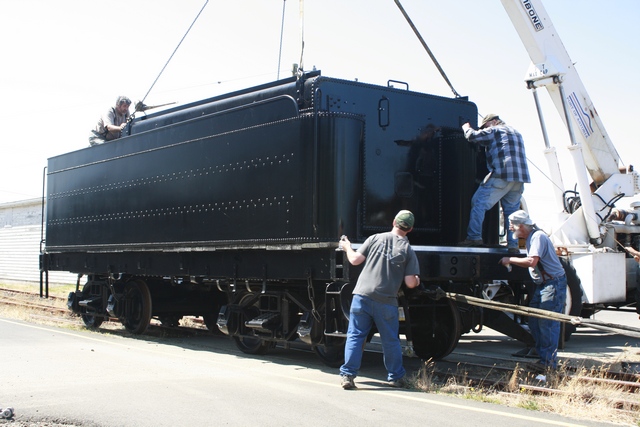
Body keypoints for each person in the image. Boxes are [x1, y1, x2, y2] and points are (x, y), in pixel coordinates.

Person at [338, 210, 421, 390]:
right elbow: (410, 283)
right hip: (386, 301)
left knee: (355, 336)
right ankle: (395, 377)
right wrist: (417, 279)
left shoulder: (375, 238)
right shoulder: (407, 249)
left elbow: (354, 260)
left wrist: (347, 247)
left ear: (393, 222)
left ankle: (347, 375)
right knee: (390, 340)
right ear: (411, 229)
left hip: (362, 296)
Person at [498, 210, 567, 370]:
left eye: (511, 226)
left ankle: (548, 363)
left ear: (520, 225)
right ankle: (542, 355)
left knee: (547, 323)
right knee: (535, 320)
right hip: (545, 284)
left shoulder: (537, 237)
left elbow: (531, 261)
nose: (510, 229)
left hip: (553, 284)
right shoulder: (532, 238)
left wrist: (510, 260)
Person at [459, 113, 530, 252]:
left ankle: (474, 237)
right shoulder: (516, 132)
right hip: (519, 179)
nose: (485, 129)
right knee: (512, 212)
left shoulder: (495, 130)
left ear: (494, 121)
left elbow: (472, 136)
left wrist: (466, 127)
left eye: (485, 126)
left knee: (478, 202)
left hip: (502, 175)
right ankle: (513, 245)